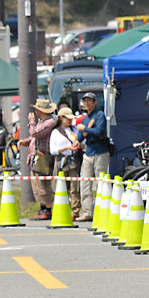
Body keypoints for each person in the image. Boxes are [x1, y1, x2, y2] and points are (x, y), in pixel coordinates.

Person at [18, 99, 57, 220]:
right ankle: (42, 208)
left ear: (40, 110)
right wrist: (25, 141)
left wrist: (31, 121)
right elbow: (34, 137)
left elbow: (35, 133)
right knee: (36, 186)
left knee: (43, 185)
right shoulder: (41, 121)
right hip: (35, 158)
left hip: (43, 158)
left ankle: (48, 209)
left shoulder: (50, 122)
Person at [75, 92, 109, 222]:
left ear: (95, 102)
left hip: (100, 152)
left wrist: (86, 129)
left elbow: (99, 131)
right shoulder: (84, 119)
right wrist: (85, 129)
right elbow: (79, 138)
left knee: (101, 183)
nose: (87, 103)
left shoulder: (100, 115)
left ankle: (102, 211)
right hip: (88, 153)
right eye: (85, 101)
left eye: (89, 101)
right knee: (84, 183)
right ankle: (88, 212)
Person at [50, 107, 82, 219]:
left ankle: (75, 212)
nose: (69, 120)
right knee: (61, 188)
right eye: (67, 118)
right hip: (61, 162)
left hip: (73, 161)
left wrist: (78, 146)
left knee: (74, 188)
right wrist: (66, 147)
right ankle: (62, 211)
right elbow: (52, 150)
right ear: (61, 118)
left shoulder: (74, 130)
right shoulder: (55, 132)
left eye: (70, 118)